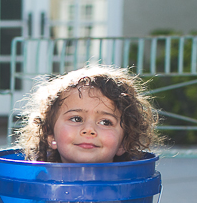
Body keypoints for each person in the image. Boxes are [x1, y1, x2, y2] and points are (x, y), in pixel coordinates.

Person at [15, 65, 159, 164]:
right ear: (50, 134)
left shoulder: (130, 188)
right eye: (76, 119)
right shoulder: (36, 185)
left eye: (105, 122)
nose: (89, 130)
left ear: (123, 142)